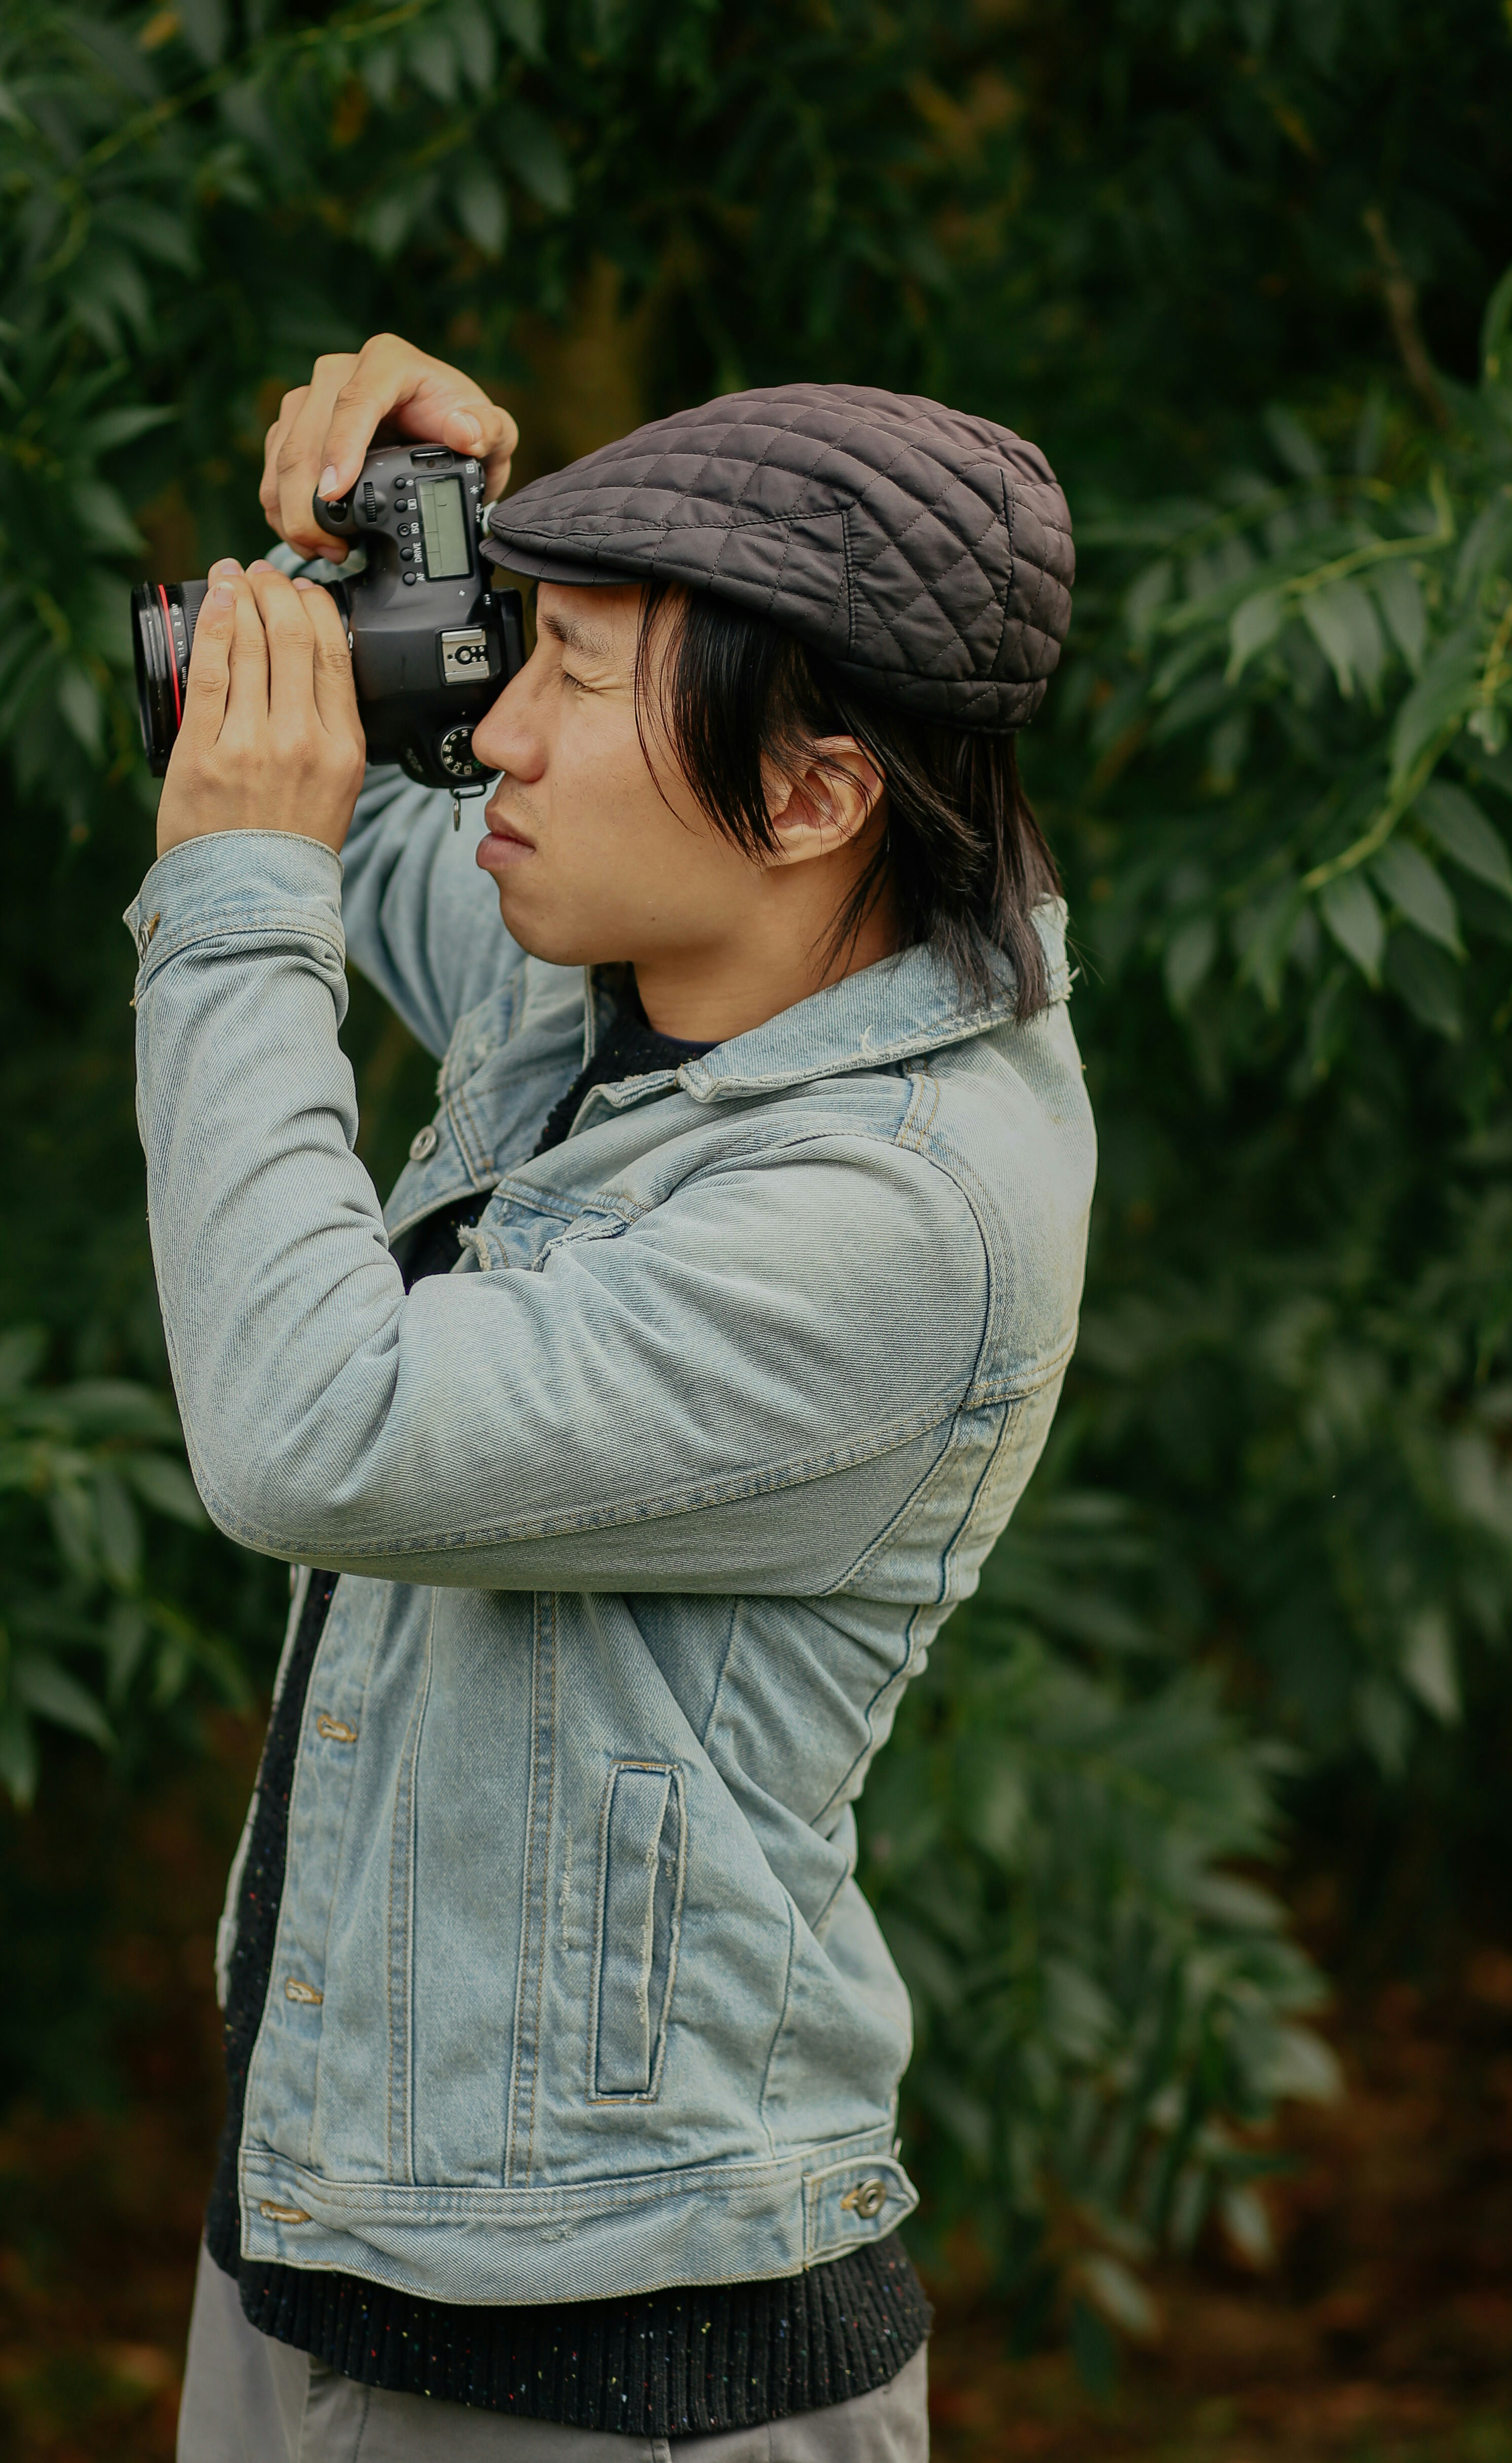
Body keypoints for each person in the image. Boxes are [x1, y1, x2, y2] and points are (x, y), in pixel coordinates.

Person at [132, 336, 1096, 2461]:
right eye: (521, 657)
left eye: (573, 675)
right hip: (324, 2242)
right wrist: (366, 550)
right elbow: (338, 792)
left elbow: (310, 1431)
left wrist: (233, 904)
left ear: (819, 789)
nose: (499, 732)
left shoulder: (899, 1215)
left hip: (621, 2358)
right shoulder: (643, 967)